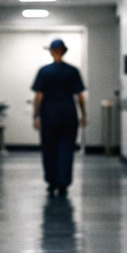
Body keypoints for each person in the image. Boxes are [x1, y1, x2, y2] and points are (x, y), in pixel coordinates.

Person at [31, 38, 86, 196]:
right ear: (64, 51)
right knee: (66, 150)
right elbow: (80, 96)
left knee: (49, 150)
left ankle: (51, 181)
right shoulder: (73, 71)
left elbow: (39, 96)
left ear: (51, 52)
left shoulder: (44, 71)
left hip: (49, 115)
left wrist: (35, 116)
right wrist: (84, 114)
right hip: (68, 114)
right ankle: (63, 183)